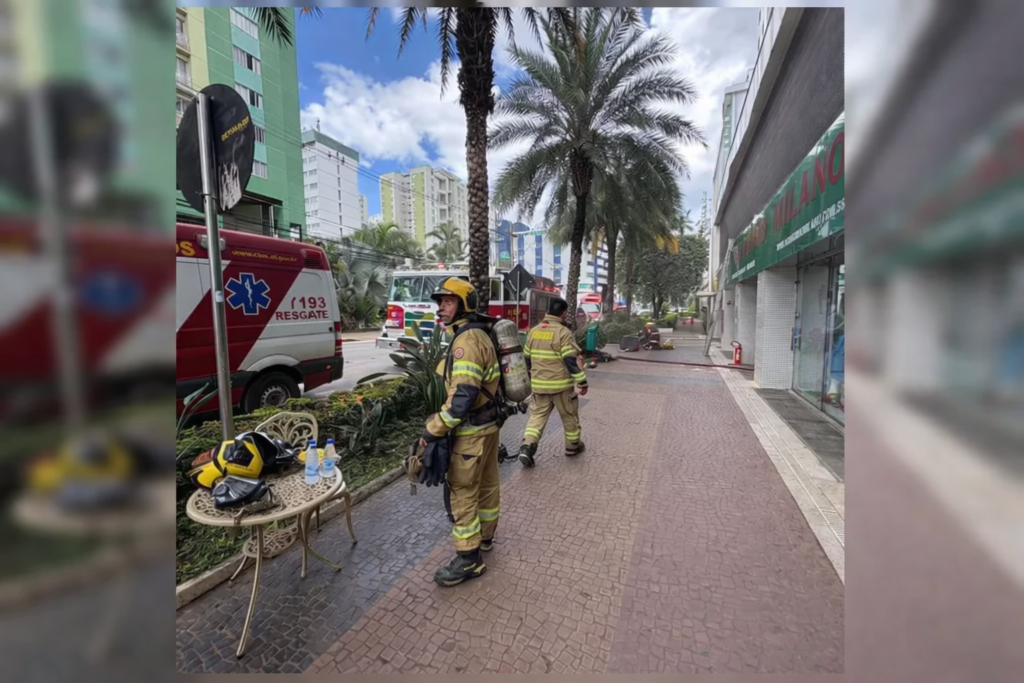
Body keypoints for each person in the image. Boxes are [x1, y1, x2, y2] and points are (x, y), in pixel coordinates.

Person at [420, 277, 502, 587]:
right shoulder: (480, 333)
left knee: (463, 492)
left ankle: (469, 559)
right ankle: (486, 537)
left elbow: (461, 401)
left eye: (448, 301)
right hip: (488, 427)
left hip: (470, 433)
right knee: (488, 484)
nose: (441, 307)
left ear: (465, 304)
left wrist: (431, 430)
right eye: (440, 302)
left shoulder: (466, 341)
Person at [518, 297, 588, 468]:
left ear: (547, 311)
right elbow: (570, 361)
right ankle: (572, 446)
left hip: (539, 386)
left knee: (536, 418)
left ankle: (527, 447)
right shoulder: (563, 333)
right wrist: (582, 382)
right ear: (563, 313)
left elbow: (526, 359)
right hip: (561, 387)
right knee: (569, 416)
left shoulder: (533, 332)